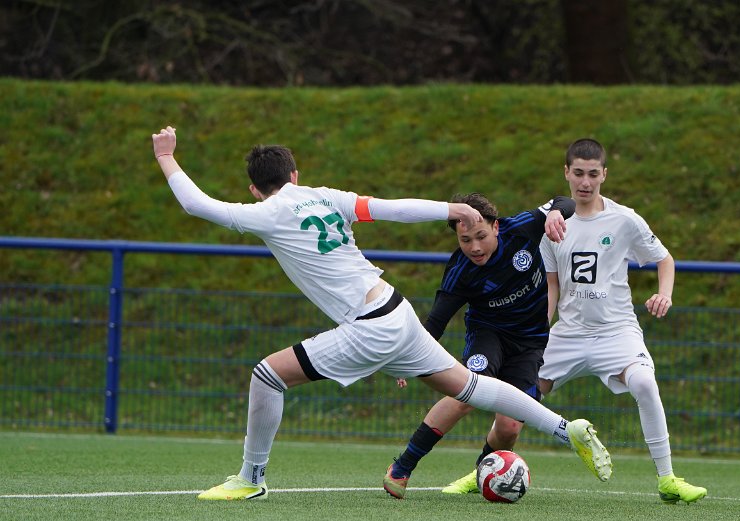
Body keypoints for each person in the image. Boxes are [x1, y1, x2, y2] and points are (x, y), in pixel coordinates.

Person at [150, 125, 599, 501]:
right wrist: (451, 208)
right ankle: (566, 428)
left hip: (369, 327)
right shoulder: (327, 196)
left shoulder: (266, 213)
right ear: (295, 175)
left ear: (255, 189)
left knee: (267, 376)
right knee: (471, 387)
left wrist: (166, 156)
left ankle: (251, 479)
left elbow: (196, 204)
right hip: (397, 311)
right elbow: (393, 209)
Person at [384, 193, 612, 496]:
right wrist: (409, 358)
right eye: (465, 240)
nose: (475, 247)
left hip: (530, 342)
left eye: (481, 236)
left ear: (496, 226)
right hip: (488, 335)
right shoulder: (460, 271)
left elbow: (564, 202)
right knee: (467, 393)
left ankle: (482, 472)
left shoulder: (521, 228)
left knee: (509, 427)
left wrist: (557, 213)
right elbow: (436, 322)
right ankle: (403, 466)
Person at [537, 138, 707, 504]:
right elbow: (552, 285)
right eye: (578, 173)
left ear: (604, 175)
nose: (585, 182)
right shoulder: (552, 224)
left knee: (644, 383)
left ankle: (668, 479)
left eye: (592, 174)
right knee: (519, 393)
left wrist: (665, 294)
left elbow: (664, 259)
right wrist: (537, 332)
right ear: (566, 173)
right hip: (568, 333)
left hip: (616, 331)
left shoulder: (625, 219)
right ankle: (485, 467)